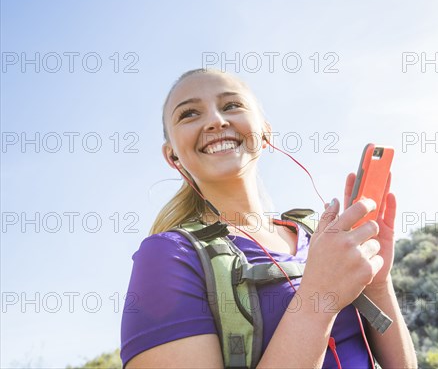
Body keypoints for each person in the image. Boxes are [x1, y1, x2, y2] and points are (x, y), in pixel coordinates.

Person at [120, 68, 417, 368]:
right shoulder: (168, 255)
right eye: (189, 114)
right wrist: (320, 297)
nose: (215, 121)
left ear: (264, 134)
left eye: (231, 106)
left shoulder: (318, 235)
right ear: (172, 157)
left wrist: (377, 283)